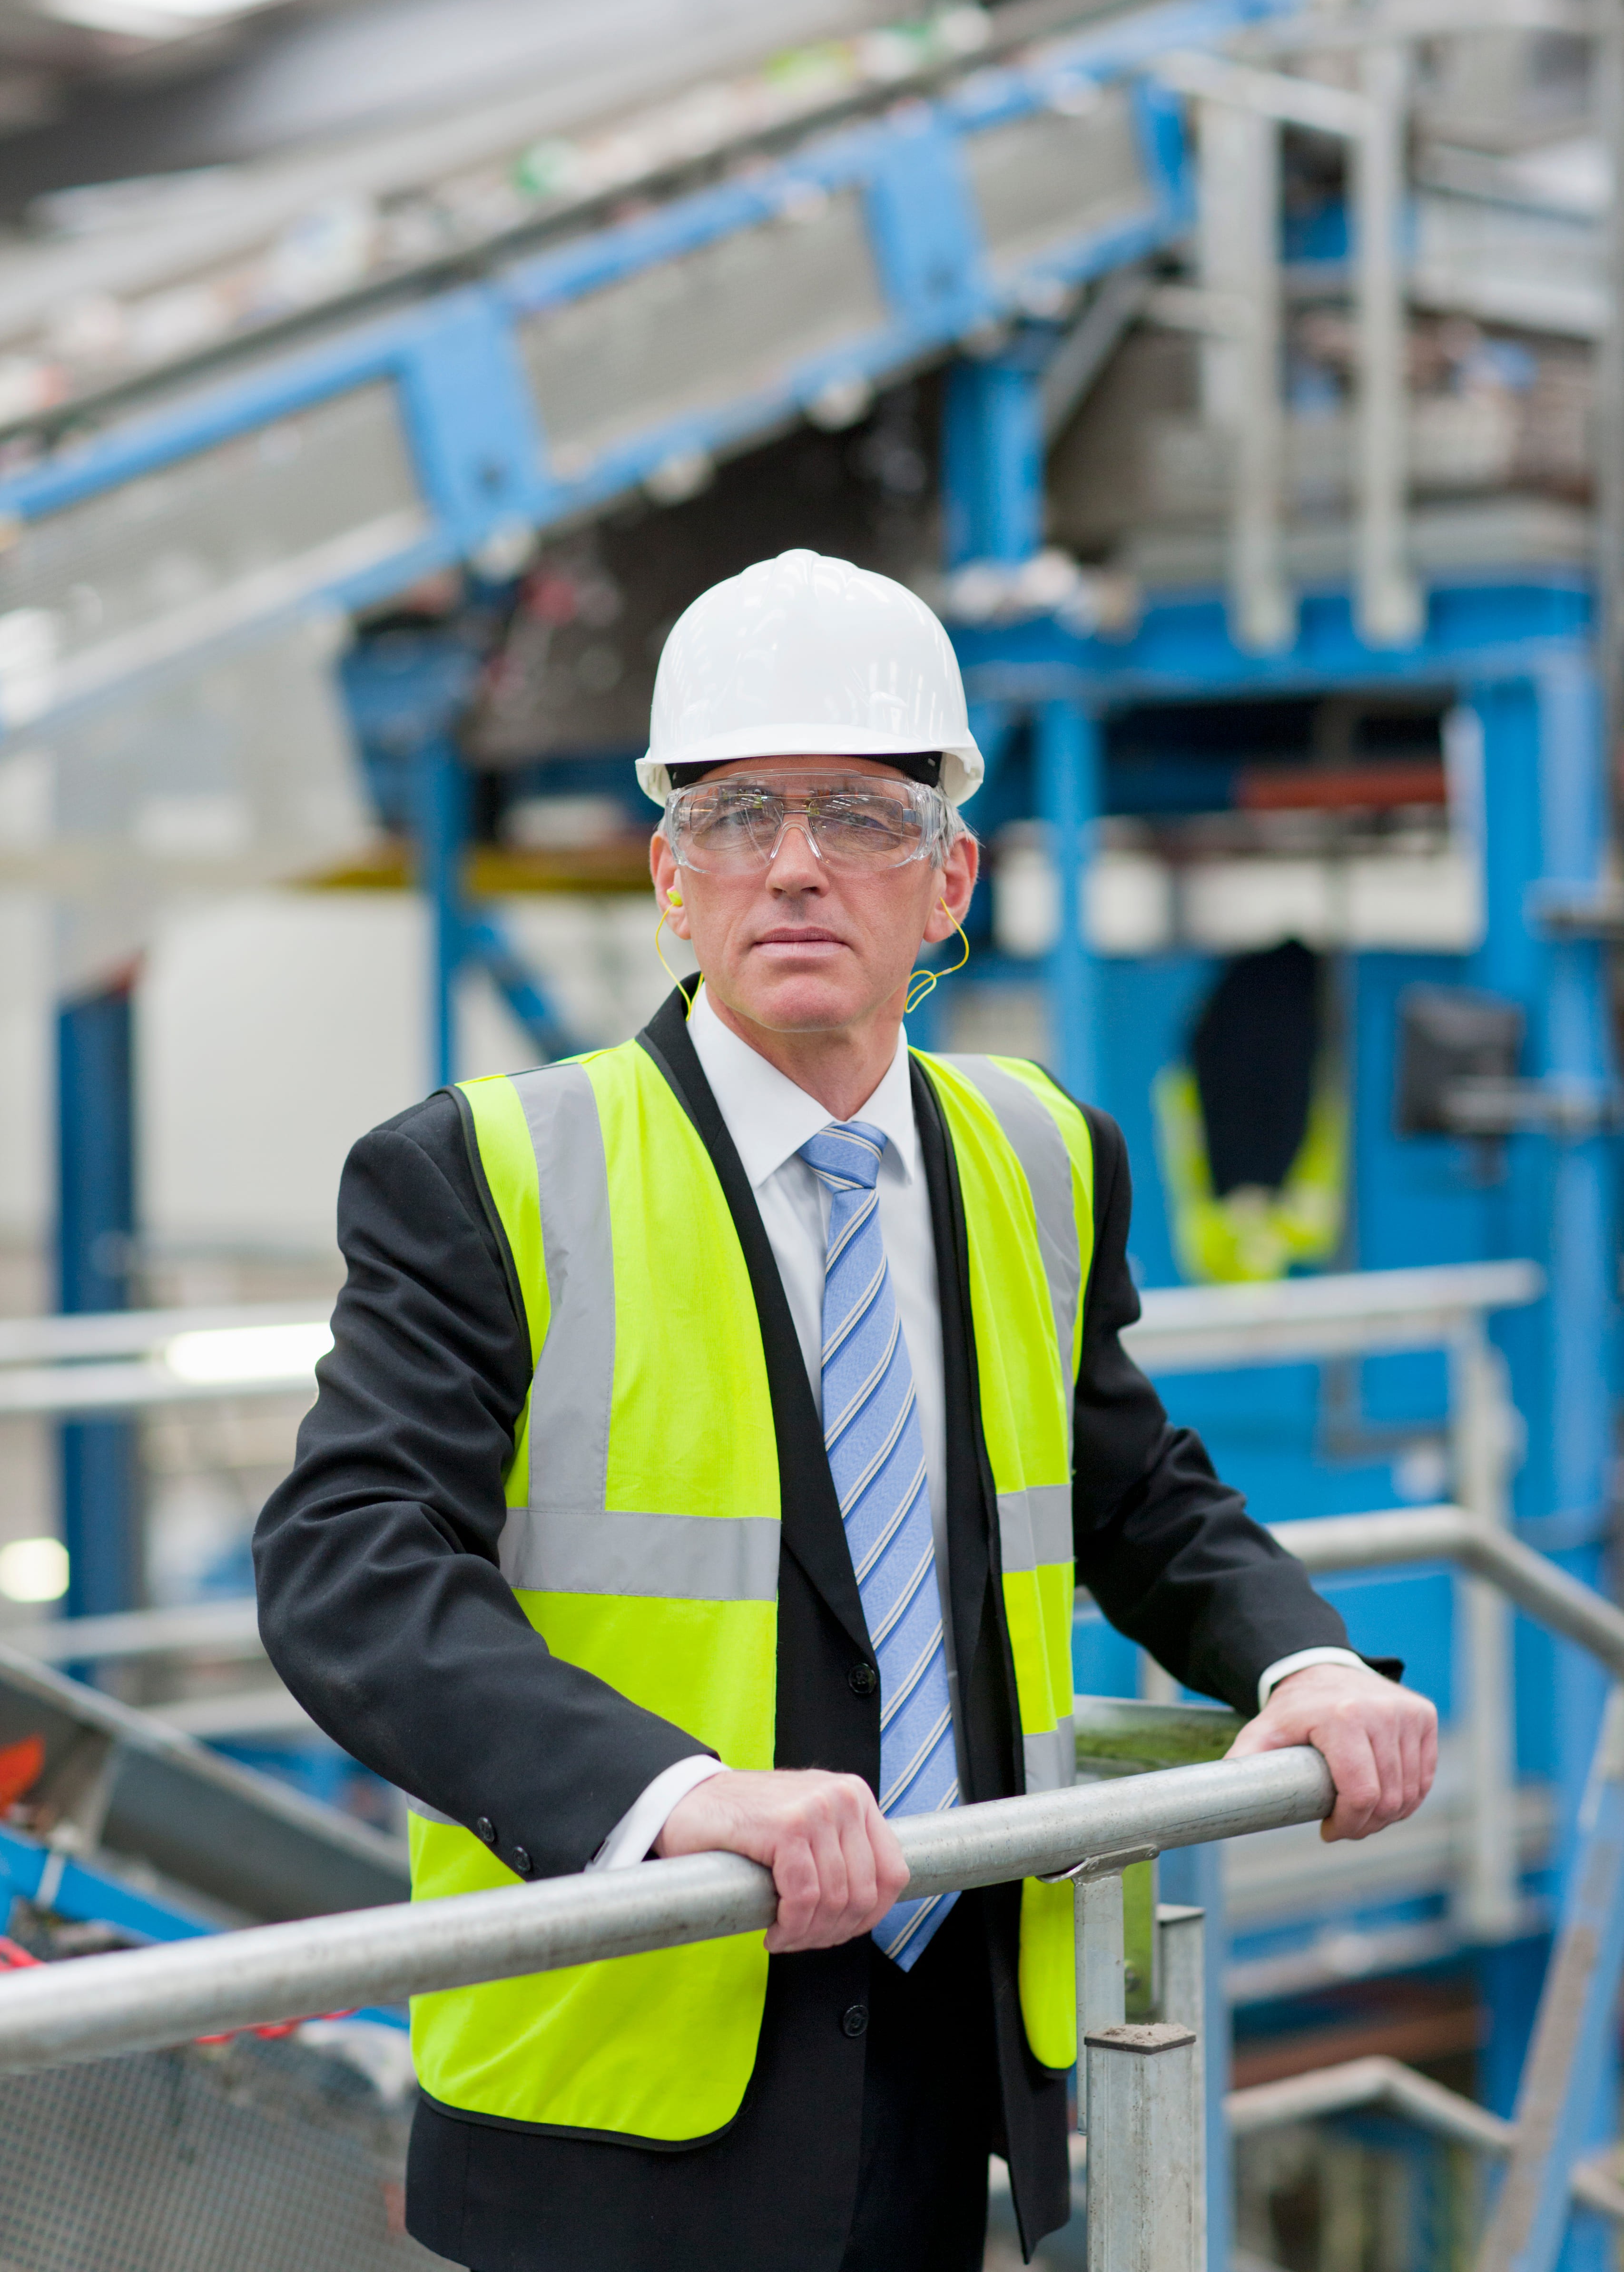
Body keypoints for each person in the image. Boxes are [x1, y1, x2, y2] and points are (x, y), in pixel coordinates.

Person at [254, 548, 1437, 2272]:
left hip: (955, 2065)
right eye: (737, 815)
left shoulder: (1039, 1153)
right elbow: (349, 1570)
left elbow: (1131, 1491)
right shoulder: (492, 1172)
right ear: (670, 877)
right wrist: (672, 1797)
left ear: (950, 878)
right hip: (627, 2086)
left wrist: (1304, 1662)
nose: (795, 864)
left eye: (862, 817)